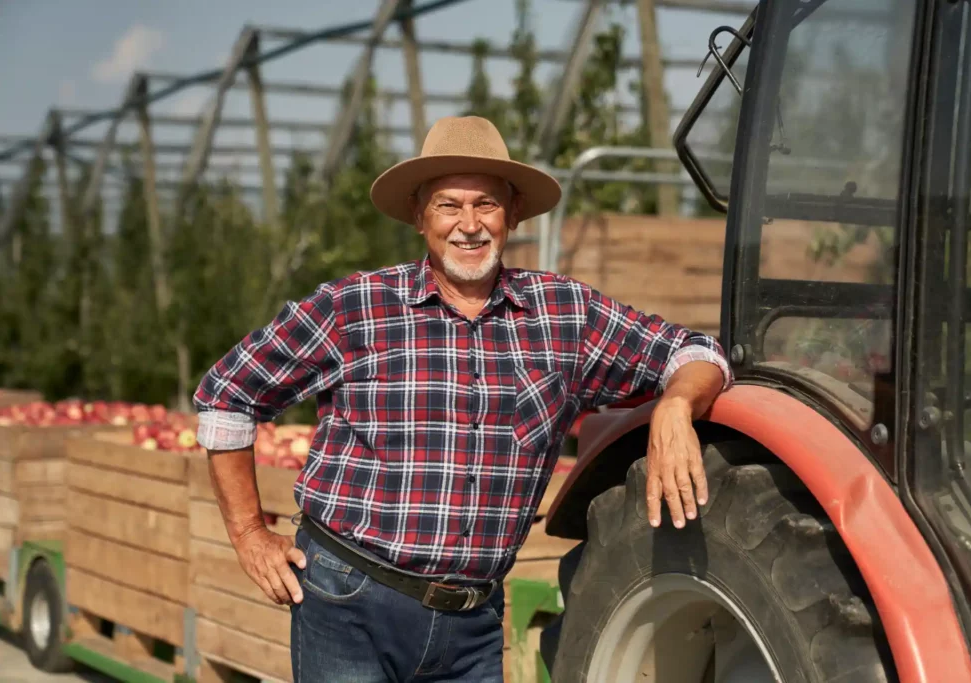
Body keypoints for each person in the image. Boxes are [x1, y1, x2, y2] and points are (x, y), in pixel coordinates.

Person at [192, 115, 733, 682]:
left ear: (513, 215)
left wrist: (676, 405)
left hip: (472, 623)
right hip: (349, 600)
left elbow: (697, 352)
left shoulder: (564, 315)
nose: (469, 225)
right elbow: (228, 394)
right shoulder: (355, 308)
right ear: (420, 216)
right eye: (449, 205)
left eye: (487, 206)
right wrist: (249, 533)